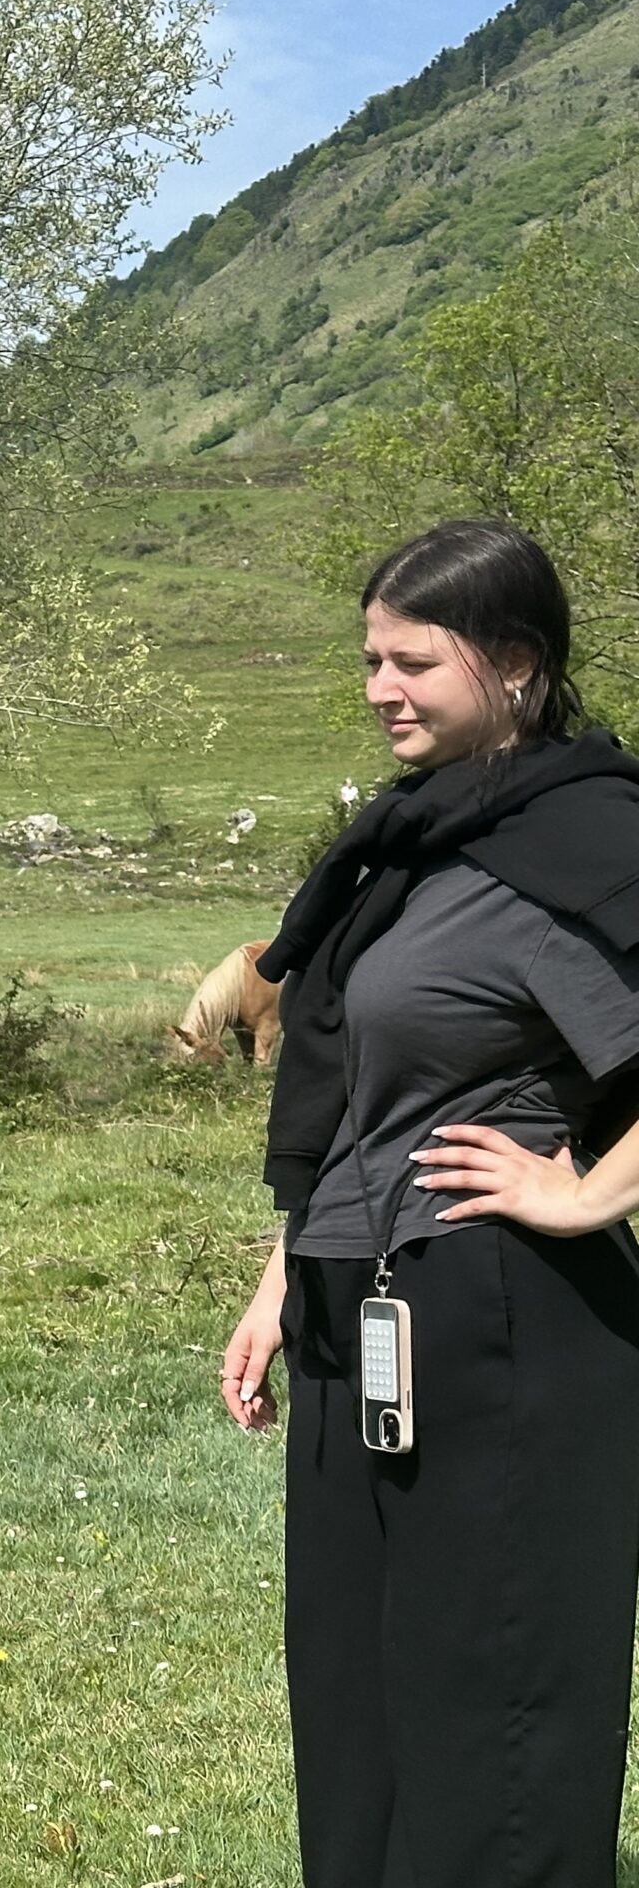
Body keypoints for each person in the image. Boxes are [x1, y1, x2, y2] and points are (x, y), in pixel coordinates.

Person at [220, 520, 639, 1888]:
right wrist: (285, 1277)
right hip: (357, 1302)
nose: (379, 688)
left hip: (499, 1314)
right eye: (369, 661)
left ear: (513, 663)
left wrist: (580, 1195)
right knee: (358, 1700)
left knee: (491, 1701)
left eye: (412, 660)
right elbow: (352, 1094)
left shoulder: (587, 841)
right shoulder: (413, 843)